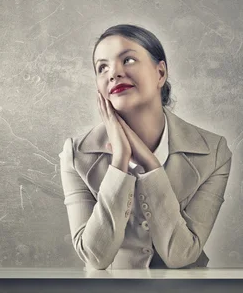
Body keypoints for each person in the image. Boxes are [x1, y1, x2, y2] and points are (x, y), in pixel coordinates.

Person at [59, 24, 233, 270]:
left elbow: (180, 255)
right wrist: (120, 160)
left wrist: (151, 165)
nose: (114, 73)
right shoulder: (76, 155)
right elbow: (95, 257)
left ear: (160, 73)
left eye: (128, 59)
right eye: (102, 67)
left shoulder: (213, 152)